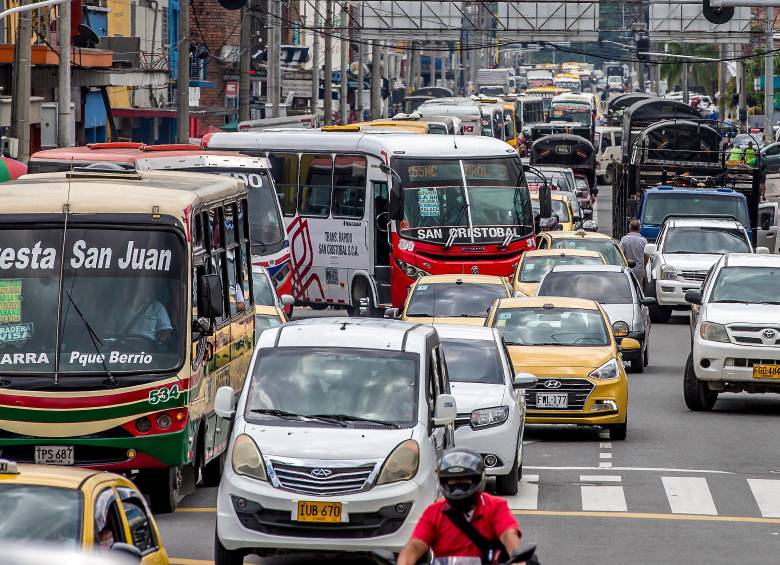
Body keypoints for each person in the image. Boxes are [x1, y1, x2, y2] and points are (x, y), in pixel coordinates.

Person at [397, 448, 523, 565]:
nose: (458, 487)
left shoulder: (495, 507)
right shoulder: (433, 512)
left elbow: (509, 536)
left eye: (465, 480)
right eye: (452, 481)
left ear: (478, 479)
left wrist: (518, 561)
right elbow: (414, 547)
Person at [619, 219, 649, 287]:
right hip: (639, 269)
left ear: (629, 227)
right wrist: (644, 265)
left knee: (628, 287)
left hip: (627, 269)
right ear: (639, 228)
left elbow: (621, 253)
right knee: (639, 287)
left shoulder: (624, 239)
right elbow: (647, 256)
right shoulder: (644, 240)